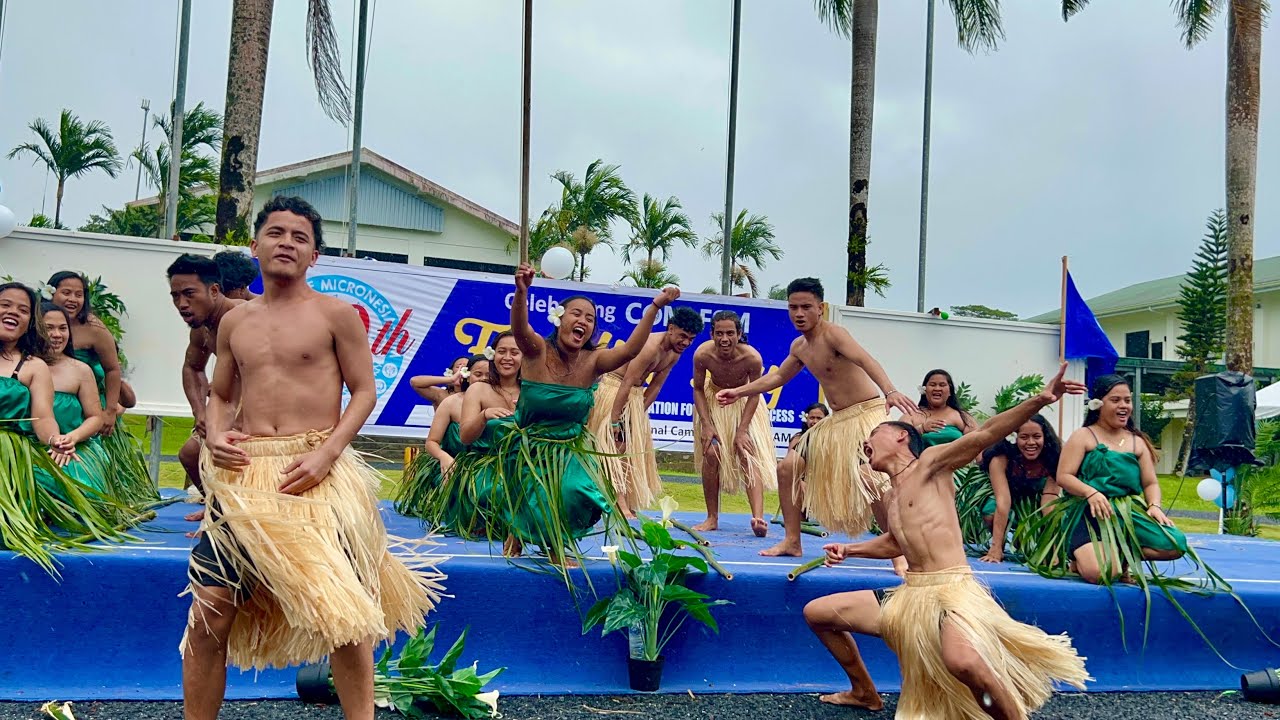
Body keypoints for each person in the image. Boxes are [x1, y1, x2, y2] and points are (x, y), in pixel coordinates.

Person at [180, 196, 442, 720]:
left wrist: (327, 454)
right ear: (255, 246)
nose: (287, 244)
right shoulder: (235, 323)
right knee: (209, 614)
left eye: (300, 238)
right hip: (245, 479)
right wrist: (214, 432)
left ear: (314, 255)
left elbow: (364, 392)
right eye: (276, 233)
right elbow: (224, 392)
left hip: (315, 475)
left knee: (345, 619)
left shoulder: (336, 314)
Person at [803, 362, 1089, 718]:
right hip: (911, 597)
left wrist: (1039, 401)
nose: (865, 443)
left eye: (873, 435)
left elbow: (984, 436)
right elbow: (896, 543)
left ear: (900, 436)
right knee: (817, 613)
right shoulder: (894, 495)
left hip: (950, 592)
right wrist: (851, 549)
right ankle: (864, 693)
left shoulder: (931, 464)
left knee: (964, 662)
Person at [716, 278, 918, 558]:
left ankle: (896, 552)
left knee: (871, 480)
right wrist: (738, 391)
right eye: (793, 307)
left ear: (820, 308)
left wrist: (890, 390)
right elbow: (777, 377)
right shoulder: (800, 347)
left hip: (865, 415)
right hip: (836, 422)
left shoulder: (835, 335)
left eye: (806, 307)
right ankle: (792, 541)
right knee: (787, 468)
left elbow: (866, 360)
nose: (799, 313)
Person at [500, 264, 676, 566]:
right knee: (537, 492)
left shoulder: (593, 360)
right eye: (576, 314)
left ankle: (553, 541)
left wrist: (655, 307)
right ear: (560, 319)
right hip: (529, 444)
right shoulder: (536, 351)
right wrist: (521, 291)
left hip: (570, 447)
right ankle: (527, 537)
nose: (583, 320)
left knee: (576, 491)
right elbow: (519, 328)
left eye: (590, 318)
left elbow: (631, 350)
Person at [0, 283, 138, 572]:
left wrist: (58, 441)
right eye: (5, 305)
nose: (13, 312)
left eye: (23, 309)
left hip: (12, 454)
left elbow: (43, 417)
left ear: (29, 323)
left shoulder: (34, 366)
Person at [1026, 374, 1187, 585]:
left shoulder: (1137, 442)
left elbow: (1150, 483)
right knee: (1102, 573)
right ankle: (1080, 557)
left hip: (1125, 514)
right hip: (1088, 513)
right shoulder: (1084, 436)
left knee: (1175, 543)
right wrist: (1090, 493)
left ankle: (1119, 553)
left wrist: (1154, 505)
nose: (1124, 406)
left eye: (1127, 400)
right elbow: (1064, 476)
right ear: (1098, 404)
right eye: (1116, 400)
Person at [47, 270, 157, 504]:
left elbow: (112, 370)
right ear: (50, 293)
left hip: (90, 401)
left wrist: (109, 411)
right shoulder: (40, 322)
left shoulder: (93, 327)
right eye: (66, 292)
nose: (72, 299)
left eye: (79, 294)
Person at [587, 305, 704, 517]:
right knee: (615, 450)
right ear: (671, 328)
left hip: (635, 397)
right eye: (683, 336)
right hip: (614, 390)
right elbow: (628, 381)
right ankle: (619, 504)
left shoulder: (675, 353)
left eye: (691, 339)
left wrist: (637, 415)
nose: (686, 343)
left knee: (630, 452)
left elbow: (656, 386)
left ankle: (625, 502)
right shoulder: (649, 347)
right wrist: (615, 420)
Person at [167, 254, 246, 522]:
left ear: (214, 290)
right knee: (190, 454)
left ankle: (233, 515)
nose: (181, 304)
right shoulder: (201, 329)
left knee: (241, 459)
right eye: (175, 296)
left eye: (189, 294)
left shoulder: (245, 316)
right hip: (226, 404)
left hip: (264, 410)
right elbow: (192, 367)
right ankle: (217, 506)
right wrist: (200, 411)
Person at [691, 310, 777, 537]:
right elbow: (698, 389)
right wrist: (706, 424)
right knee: (711, 453)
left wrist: (742, 430)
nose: (724, 339)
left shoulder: (752, 358)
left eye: (730, 333)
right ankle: (712, 517)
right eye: (719, 333)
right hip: (715, 402)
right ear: (711, 334)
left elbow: (755, 393)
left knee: (748, 453)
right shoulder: (702, 354)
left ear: (739, 334)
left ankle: (758, 518)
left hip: (745, 403)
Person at [37, 302, 111, 494]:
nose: (57, 335)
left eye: (63, 328)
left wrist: (71, 438)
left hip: (73, 448)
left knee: (78, 490)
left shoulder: (80, 370)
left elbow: (95, 417)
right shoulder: (22, 366)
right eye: (49, 328)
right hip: (30, 447)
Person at [969, 414, 1062, 564]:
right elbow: (1003, 501)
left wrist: (1053, 549)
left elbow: (1049, 500)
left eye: (1037, 436)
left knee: (1059, 515)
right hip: (1003, 492)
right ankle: (1002, 540)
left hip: (1035, 495)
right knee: (991, 513)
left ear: (1045, 437)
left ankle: (1027, 541)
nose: (1031, 442)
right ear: (1014, 438)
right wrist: (996, 548)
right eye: (1024, 437)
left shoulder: (1053, 458)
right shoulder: (1000, 458)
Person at [912, 369, 977, 446]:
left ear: (950, 391)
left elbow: (976, 446)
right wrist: (921, 429)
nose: (937, 388)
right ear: (924, 390)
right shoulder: (911, 416)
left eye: (942, 385)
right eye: (932, 385)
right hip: (923, 457)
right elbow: (897, 442)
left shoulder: (963, 417)